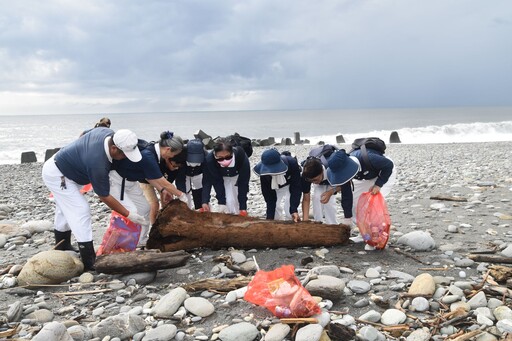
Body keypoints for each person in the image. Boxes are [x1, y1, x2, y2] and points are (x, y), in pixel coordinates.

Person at [42, 128, 144, 270]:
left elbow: (84, 134)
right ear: (114, 148)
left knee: (64, 208)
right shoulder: (98, 162)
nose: (126, 158)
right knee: (80, 210)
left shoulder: (106, 132)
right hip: (58, 174)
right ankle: (89, 260)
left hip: (69, 170)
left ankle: (63, 246)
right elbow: (104, 195)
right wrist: (128, 214)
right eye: (125, 155)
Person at [111, 131, 188, 248]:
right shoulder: (148, 155)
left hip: (131, 181)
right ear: (167, 149)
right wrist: (181, 195)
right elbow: (163, 181)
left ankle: (140, 239)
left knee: (145, 208)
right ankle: (120, 240)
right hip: (118, 181)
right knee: (131, 211)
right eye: (173, 154)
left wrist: (162, 190)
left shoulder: (151, 150)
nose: (172, 158)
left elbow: (149, 176)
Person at [301, 145, 351, 225]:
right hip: (321, 179)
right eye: (311, 181)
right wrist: (305, 221)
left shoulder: (333, 168)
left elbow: (345, 184)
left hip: (332, 180)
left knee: (330, 203)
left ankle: (332, 224)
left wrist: (331, 192)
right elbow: (306, 198)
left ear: (321, 172)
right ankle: (318, 223)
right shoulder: (306, 175)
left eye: (315, 180)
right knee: (317, 197)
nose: (313, 182)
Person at [202, 137, 250, 215]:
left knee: (237, 202)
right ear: (215, 154)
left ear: (232, 153)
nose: (224, 160)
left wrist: (243, 207)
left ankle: (240, 214)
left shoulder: (241, 156)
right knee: (228, 202)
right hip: (222, 177)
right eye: (220, 158)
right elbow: (209, 181)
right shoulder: (209, 160)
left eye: (228, 157)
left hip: (237, 176)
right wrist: (205, 201)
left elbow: (243, 182)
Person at [253, 149, 301, 222]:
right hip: (274, 186)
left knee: (289, 211)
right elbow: (268, 196)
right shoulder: (264, 174)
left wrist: (294, 210)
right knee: (274, 213)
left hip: (290, 182)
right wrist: (270, 218)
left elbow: (296, 188)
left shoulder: (292, 163)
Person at [348, 146, 396, 217]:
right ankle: (360, 224)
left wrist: (378, 185)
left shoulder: (371, 158)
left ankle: (377, 222)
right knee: (355, 201)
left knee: (376, 198)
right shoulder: (346, 163)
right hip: (365, 173)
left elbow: (389, 165)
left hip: (384, 169)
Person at [176, 138, 207, 210]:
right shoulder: (180, 156)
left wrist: (205, 200)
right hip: (185, 174)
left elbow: (207, 179)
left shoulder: (206, 157)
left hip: (198, 173)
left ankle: (202, 210)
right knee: (185, 194)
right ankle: (186, 210)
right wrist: (182, 194)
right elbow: (180, 179)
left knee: (200, 191)